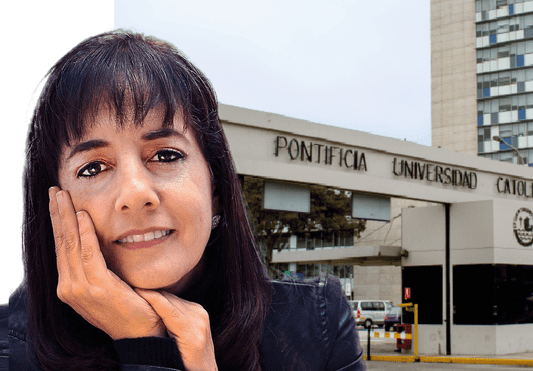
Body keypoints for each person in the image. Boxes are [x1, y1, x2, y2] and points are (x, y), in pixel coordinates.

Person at [0, 30, 364, 371]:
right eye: (94, 168)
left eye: (166, 156)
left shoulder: (317, 325)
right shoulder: (10, 349)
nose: (136, 194)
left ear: (216, 188)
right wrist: (145, 343)